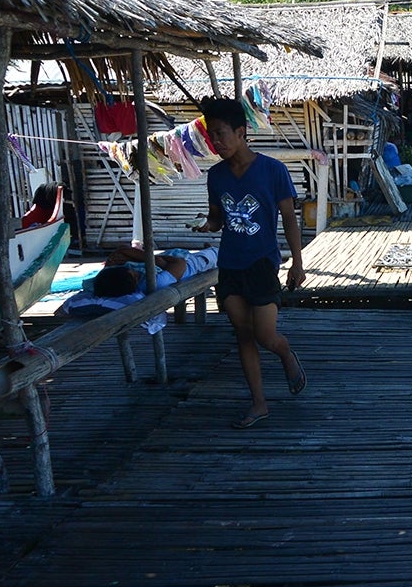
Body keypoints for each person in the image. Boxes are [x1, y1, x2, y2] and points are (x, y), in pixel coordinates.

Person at [193, 97, 307, 429]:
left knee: (266, 336)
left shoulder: (273, 170)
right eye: (211, 136)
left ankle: (285, 354)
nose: (216, 142)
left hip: (261, 263)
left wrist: (297, 264)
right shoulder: (215, 176)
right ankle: (259, 404)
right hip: (230, 263)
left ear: (242, 132)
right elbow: (218, 219)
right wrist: (206, 225)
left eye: (220, 134)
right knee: (242, 334)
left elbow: (289, 219)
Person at [91, 245, 219, 297]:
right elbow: (180, 263)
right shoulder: (155, 282)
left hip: (171, 261)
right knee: (216, 252)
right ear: (134, 279)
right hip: (194, 265)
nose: (133, 270)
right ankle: (212, 249)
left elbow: (120, 251)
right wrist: (156, 260)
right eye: (131, 272)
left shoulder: (117, 282)